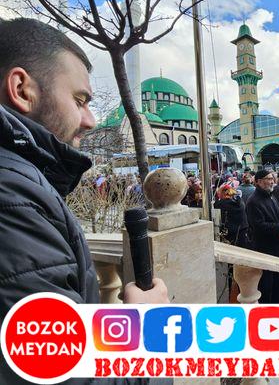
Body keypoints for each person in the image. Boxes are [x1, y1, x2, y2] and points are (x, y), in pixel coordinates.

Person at [0, 19, 169, 384]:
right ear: (22, 89)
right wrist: (145, 327)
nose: (90, 121)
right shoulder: (14, 199)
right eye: (79, 101)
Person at [245, 169, 279, 303]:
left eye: (272, 178)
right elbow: (259, 226)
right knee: (266, 286)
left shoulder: (271, 195)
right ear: (259, 182)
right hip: (264, 249)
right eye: (268, 179)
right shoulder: (253, 201)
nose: (271, 181)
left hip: (277, 245)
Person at [214, 183, 250, 248]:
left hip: (230, 238)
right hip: (243, 235)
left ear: (222, 194)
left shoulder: (220, 204)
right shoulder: (240, 203)